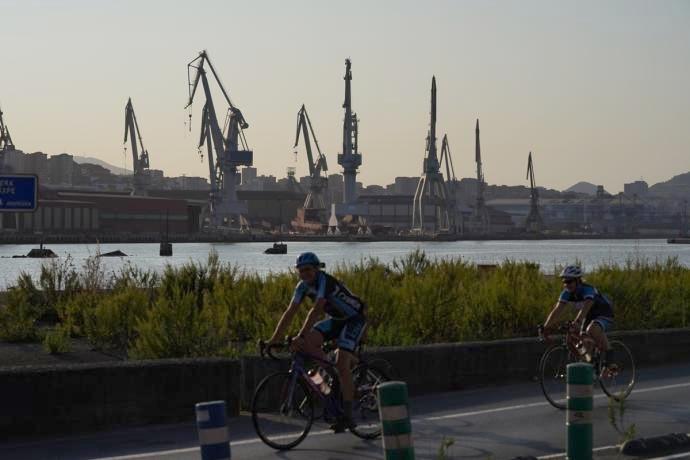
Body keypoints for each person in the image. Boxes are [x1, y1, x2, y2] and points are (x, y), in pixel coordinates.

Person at [267, 251, 367, 432]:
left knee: (340, 363)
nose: (305, 274)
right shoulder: (302, 286)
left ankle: (349, 415)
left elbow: (315, 310)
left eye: (308, 270)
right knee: (308, 352)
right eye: (301, 271)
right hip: (336, 320)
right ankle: (331, 384)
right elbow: (290, 312)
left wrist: (300, 335)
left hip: (354, 319)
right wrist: (273, 339)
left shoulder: (324, 281)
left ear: (316, 269)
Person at [543, 265, 615, 367]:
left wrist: (577, 322)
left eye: (569, 282)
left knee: (592, 329)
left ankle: (610, 359)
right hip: (588, 316)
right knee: (570, 340)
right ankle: (589, 361)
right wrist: (545, 327)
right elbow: (557, 311)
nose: (566, 285)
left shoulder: (588, 290)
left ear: (578, 281)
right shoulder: (566, 293)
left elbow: (586, 307)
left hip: (603, 313)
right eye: (564, 282)